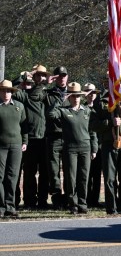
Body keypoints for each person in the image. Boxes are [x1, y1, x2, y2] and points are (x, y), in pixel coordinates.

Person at [47, 82, 98, 214]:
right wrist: (61, 101)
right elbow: (51, 115)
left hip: (85, 148)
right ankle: (73, 204)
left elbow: (92, 131)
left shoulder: (87, 110)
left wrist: (94, 148)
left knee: (83, 177)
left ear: (81, 97)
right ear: (69, 97)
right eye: (73, 96)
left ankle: (82, 203)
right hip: (70, 148)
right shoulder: (64, 111)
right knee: (71, 178)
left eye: (78, 96)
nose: (75, 99)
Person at [93, 77, 121, 215]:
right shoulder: (100, 100)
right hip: (108, 143)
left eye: (116, 81)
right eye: (109, 81)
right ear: (105, 83)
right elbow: (94, 124)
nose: (113, 84)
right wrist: (110, 122)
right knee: (109, 178)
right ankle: (111, 208)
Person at [13, 64, 50, 210]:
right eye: (38, 75)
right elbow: (14, 89)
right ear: (33, 77)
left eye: (43, 75)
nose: (40, 78)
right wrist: (24, 75)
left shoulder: (47, 93)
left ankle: (42, 201)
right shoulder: (25, 97)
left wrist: (43, 84)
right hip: (31, 139)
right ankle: (29, 201)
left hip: (45, 139)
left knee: (45, 173)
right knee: (29, 172)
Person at [0, 80, 28, 218]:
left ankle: (10, 206)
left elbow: (24, 126)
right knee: (0, 176)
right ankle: (1, 206)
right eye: (4, 90)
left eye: (9, 91)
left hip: (16, 146)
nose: (6, 93)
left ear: (12, 92)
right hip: (1, 146)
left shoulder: (19, 106)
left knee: (13, 176)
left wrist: (25, 141)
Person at [43, 66, 70, 209]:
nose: (62, 78)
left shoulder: (73, 92)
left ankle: (68, 197)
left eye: (64, 75)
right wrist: (46, 83)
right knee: (54, 170)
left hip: (68, 136)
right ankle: (57, 197)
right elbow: (35, 97)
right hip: (53, 135)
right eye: (59, 76)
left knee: (69, 169)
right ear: (54, 78)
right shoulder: (48, 93)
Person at [83, 83, 102, 208]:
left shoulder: (100, 108)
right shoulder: (82, 108)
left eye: (93, 92)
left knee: (97, 175)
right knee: (87, 174)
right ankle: (87, 199)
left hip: (100, 145)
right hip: (86, 145)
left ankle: (95, 200)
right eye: (89, 92)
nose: (91, 95)